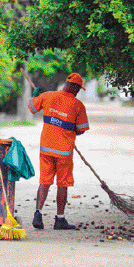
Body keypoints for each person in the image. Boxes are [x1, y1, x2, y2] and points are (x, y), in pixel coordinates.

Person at [28, 73, 89, 230]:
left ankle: (38, 214)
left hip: (46, 149)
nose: (77, 92)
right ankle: (60, 219)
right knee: (63, 184)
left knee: (44, 182)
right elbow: (81, 129)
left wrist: (35, 96)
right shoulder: (78, 106)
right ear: (75, 88)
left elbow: (32, 107)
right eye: (78, 89)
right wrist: (70, 128)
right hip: (64, 152)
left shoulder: (48, 96)